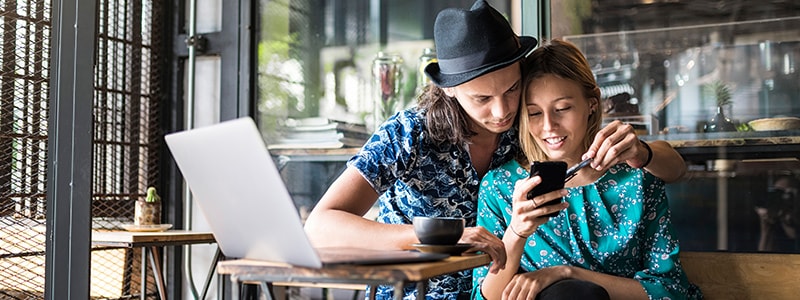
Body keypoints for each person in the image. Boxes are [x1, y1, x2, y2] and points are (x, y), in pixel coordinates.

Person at [305, 1, 534, 298]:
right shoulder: (408, 132)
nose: (502, 110)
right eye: (482, 98)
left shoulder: (529, 124)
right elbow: (320, 227)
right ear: (449, 88)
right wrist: (442, 237)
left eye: (512, 89)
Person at [472, 39, 701, 300]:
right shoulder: (500, 186)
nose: (549, 126)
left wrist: (567, 273)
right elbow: (485, 296)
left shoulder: (636, 179)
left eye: (562, 109)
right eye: (534, 113)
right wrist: (516, 233)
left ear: (592, 103)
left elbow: (669, 291)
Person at [755, 174, 799, 252]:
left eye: (789, 194)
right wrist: (766, 227)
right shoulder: (776, 226)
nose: (783, 199)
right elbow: (764, 259)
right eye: (778, 194)